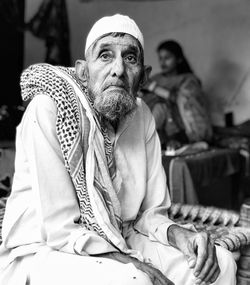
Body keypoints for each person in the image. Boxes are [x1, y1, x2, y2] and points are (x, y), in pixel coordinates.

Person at [0, 14, 236, 285]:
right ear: (83, 71)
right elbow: (60, 230)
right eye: (105, 55)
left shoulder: (142, 115)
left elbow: (150, 213)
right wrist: (134, 264)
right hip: (43, 251)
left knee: (222, 263)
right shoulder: (49, 109)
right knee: (133, 280)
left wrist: (180, 235)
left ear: (144, 77)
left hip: (120, 238)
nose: (118, 69)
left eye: (130, 58)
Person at [141, 40, 213, 150]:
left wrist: (154, 88)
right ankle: (144, 142)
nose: (163, 62)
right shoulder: (156, 79)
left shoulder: (188, 79)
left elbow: (183, 100)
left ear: (179, 59)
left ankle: (194, 140)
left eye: (167, 58)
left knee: (170, 102)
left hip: (184, 127)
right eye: (160, 58)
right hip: (162, 127)